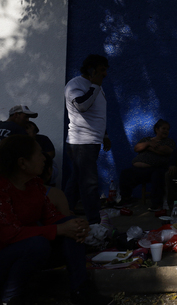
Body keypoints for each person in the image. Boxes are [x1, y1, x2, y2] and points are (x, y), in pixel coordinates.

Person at [0, 135, 110, 304]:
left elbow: (52, 217)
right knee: (38, 244)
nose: (45, 158)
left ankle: (80, 290)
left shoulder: (33, 183)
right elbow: (10, 234)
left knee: (71, 228)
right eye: (39, 154)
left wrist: (75, 224)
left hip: (26, 253)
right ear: (22, 163)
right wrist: (60, 229)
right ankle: (10, 298)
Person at [64, 54, 111, 225]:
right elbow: (82, 106)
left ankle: (64, 213)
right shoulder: (75, 85)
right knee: (89, 183)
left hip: (92, 141)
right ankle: (94, 222)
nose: (105, 74)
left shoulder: (96, 86)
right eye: (101, 70)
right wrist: (95, 85)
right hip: (81, 142)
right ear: (91, 70)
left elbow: (99, 113)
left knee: (77, 180)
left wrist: (104, 135)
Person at [115, 119, 175, 212]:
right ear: (156, 129)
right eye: (163, 128)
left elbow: (167, 150)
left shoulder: (169, 141)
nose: (166, 131)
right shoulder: (146, 139)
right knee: (125, 173)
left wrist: (148, 148)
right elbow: (137, 148)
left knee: (158, 175)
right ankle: (126, 200)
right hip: (138, 170)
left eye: (167, 129)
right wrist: (148, 143)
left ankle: (156, 204)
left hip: (156, 169)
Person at [0, 105, 37, 177]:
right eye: (26, 116)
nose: (28, 120)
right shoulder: (17, 129)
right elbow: (29, 151)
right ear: (16, 115)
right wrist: (31, 137)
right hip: (5, 173)